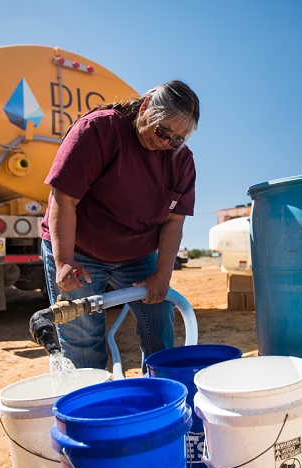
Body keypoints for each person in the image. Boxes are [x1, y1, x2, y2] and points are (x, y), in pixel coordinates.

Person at [40, 80, 200, 370]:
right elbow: (63, 199)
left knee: (159, 325)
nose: (166, 143)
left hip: (137, 255)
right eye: (162, 131)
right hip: (79, 250)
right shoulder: (98, 130)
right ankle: (92, 408)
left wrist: (162, 275)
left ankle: (160, 399)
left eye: (177, 139)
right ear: (145, 108)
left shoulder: (181, 161)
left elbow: (174, 221)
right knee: (83, 338)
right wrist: (64, 261)